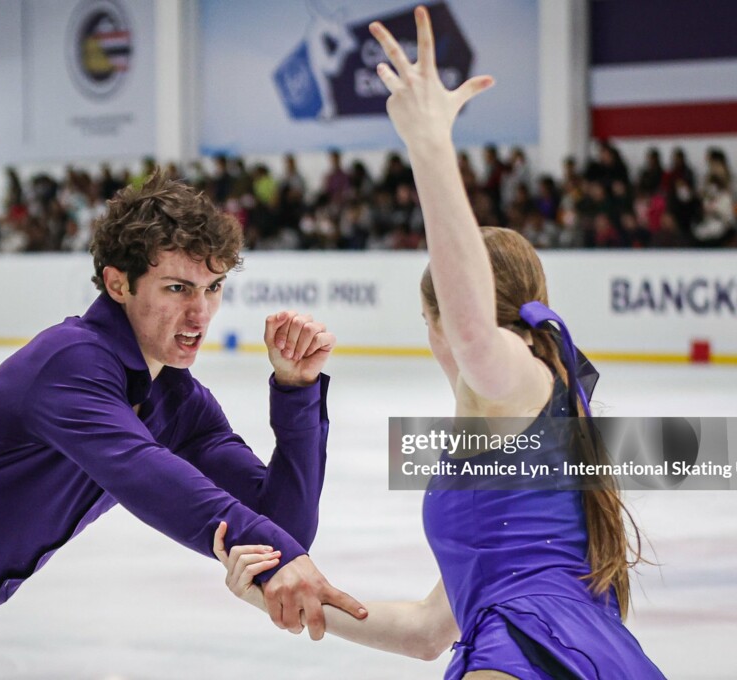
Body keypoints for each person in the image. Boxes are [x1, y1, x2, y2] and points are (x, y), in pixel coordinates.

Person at [215, 8, 665, 679]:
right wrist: (290, 596)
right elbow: (427, 631)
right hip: (554, 646)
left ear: (438, 319)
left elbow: (476, 330)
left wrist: (429, 145)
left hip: (529, 647)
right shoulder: (525, 410)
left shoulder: (515, 378)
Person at [0, 173, 365, 679]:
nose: (201, 314)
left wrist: (296, 392)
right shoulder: (69, 362)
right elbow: (142, 471)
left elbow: (282, 524)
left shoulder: (181, 405)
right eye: (177, 288)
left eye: (212, 288)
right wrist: (282, 557)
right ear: (118, 284)